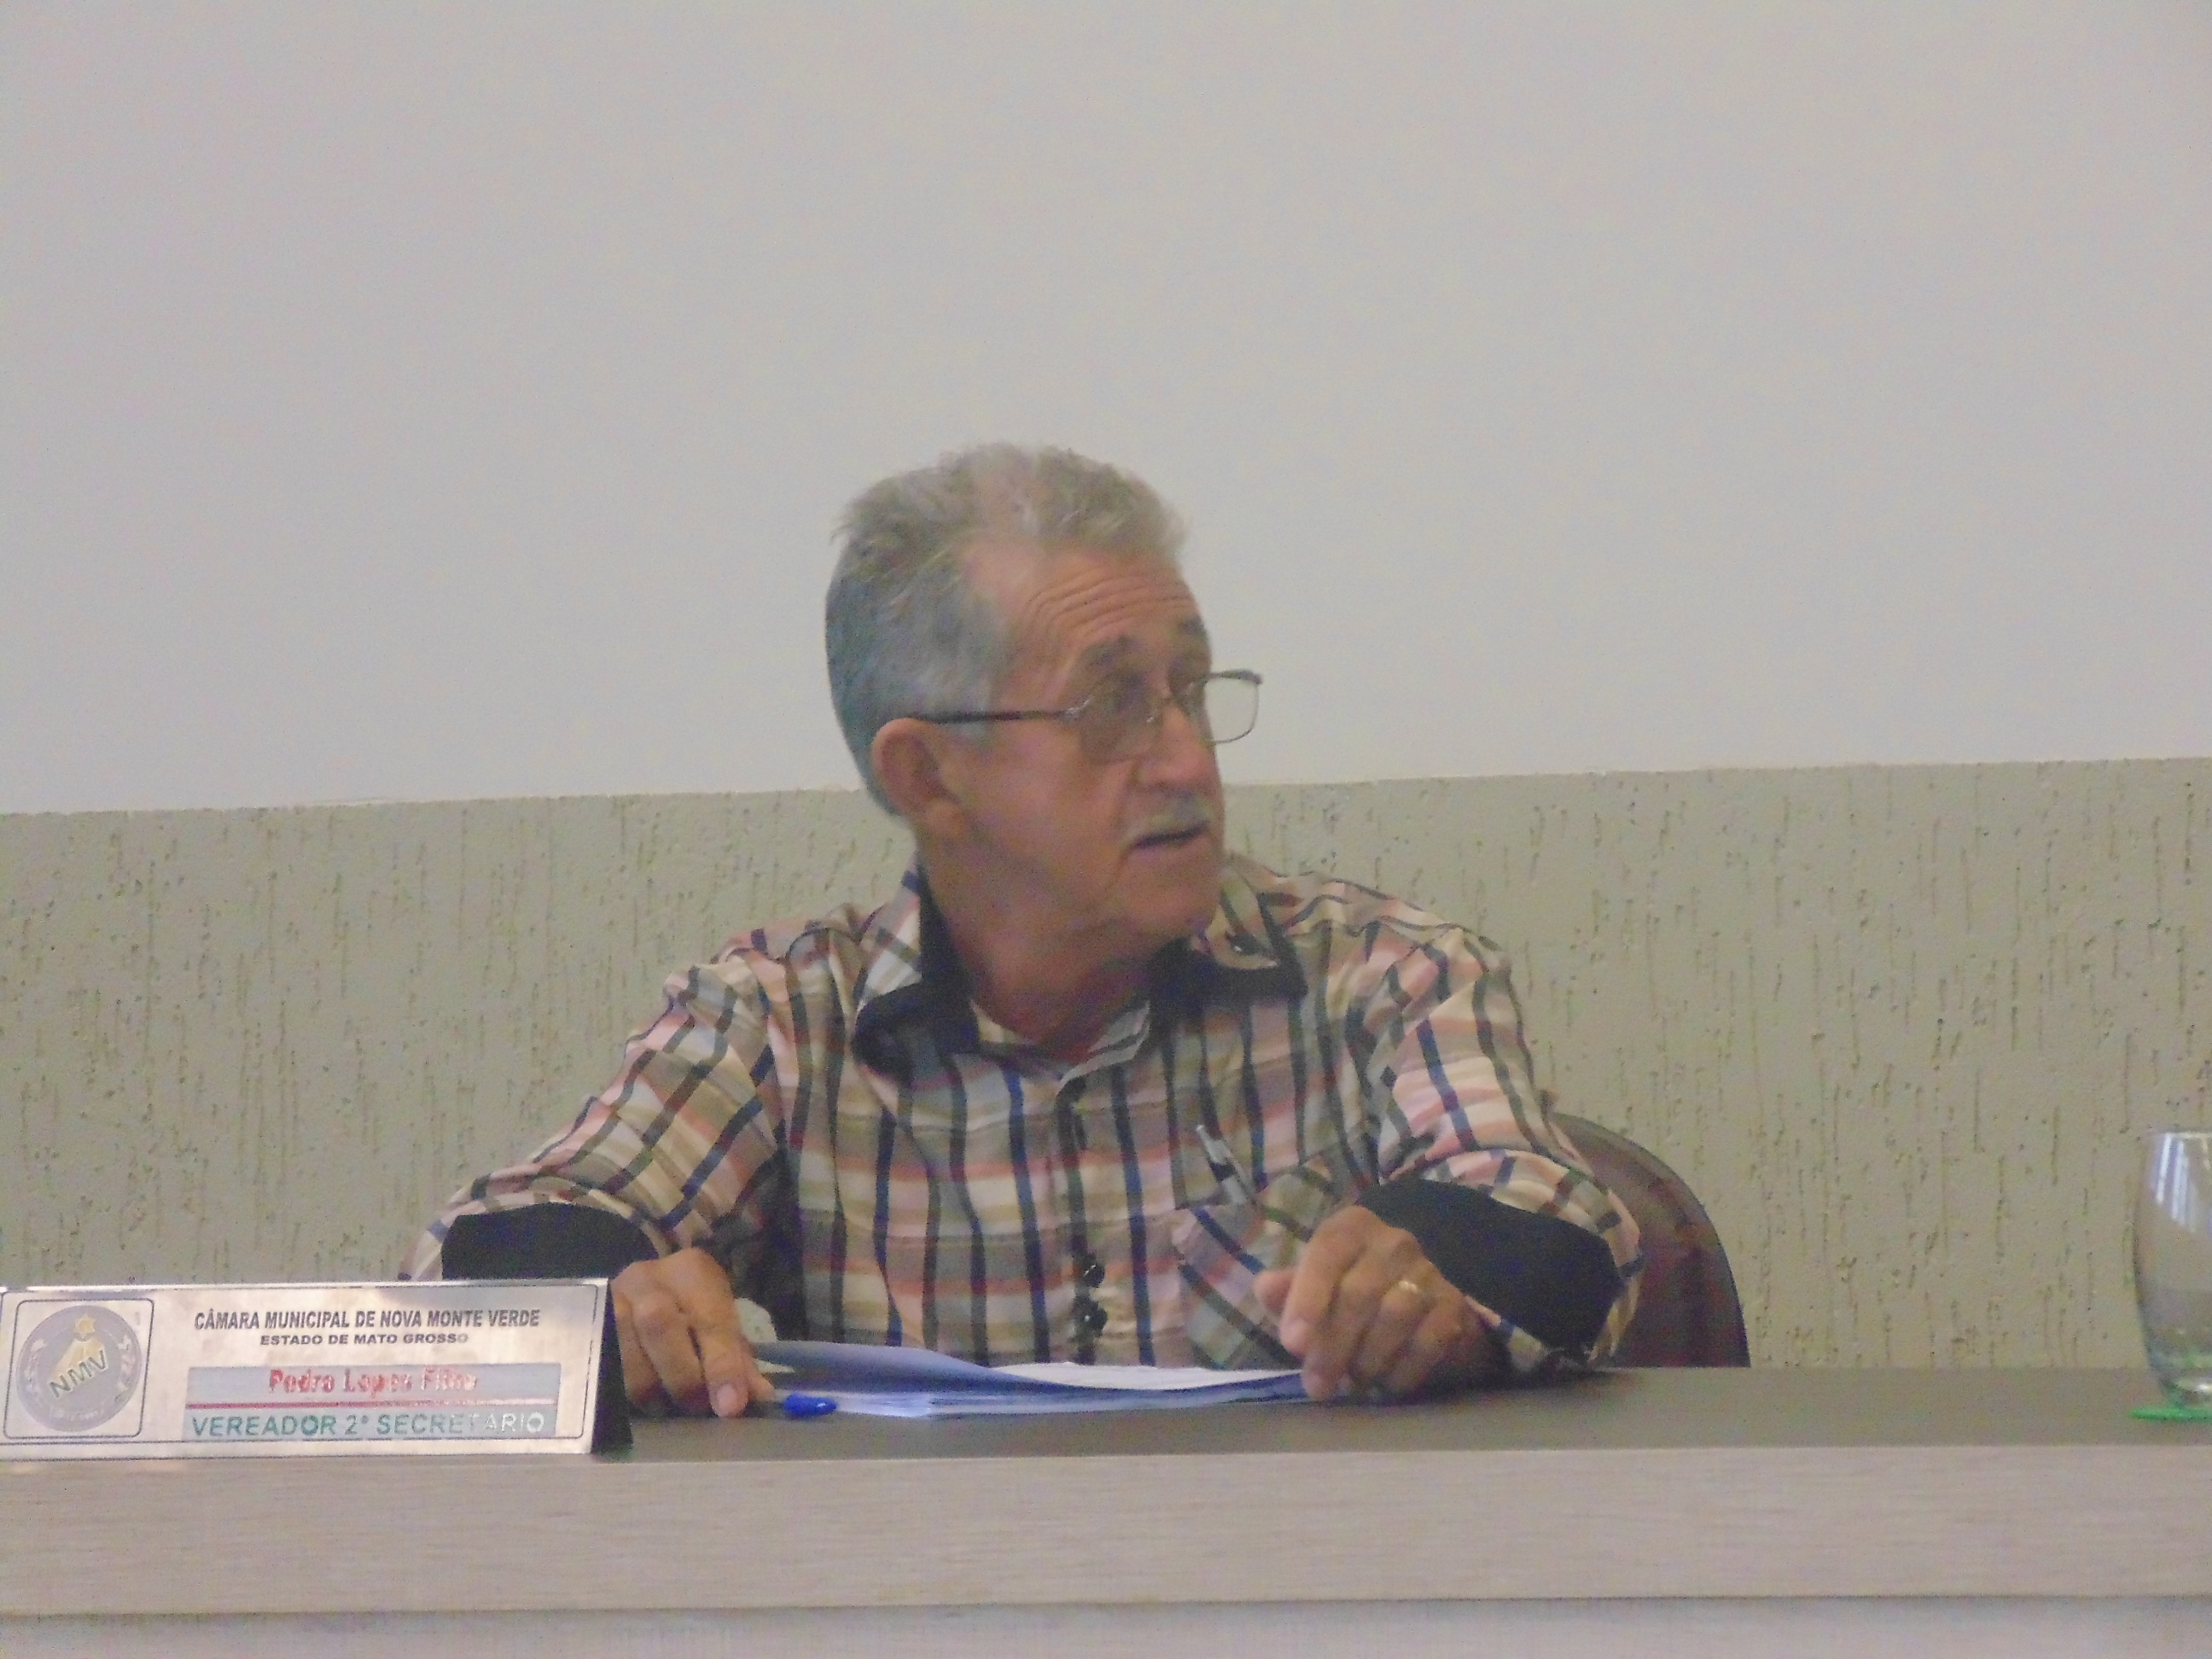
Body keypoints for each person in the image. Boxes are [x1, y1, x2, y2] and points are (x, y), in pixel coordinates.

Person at [403, 444, 1640, 1414]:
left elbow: (1558, 1216)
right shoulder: (781, 1020)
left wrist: (1430, 1278)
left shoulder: (1377, 974)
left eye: (1190, 690)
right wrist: (616, 1298)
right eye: (1113, 705)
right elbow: (495, 1240)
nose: (1186, 760)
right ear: (930, 778)